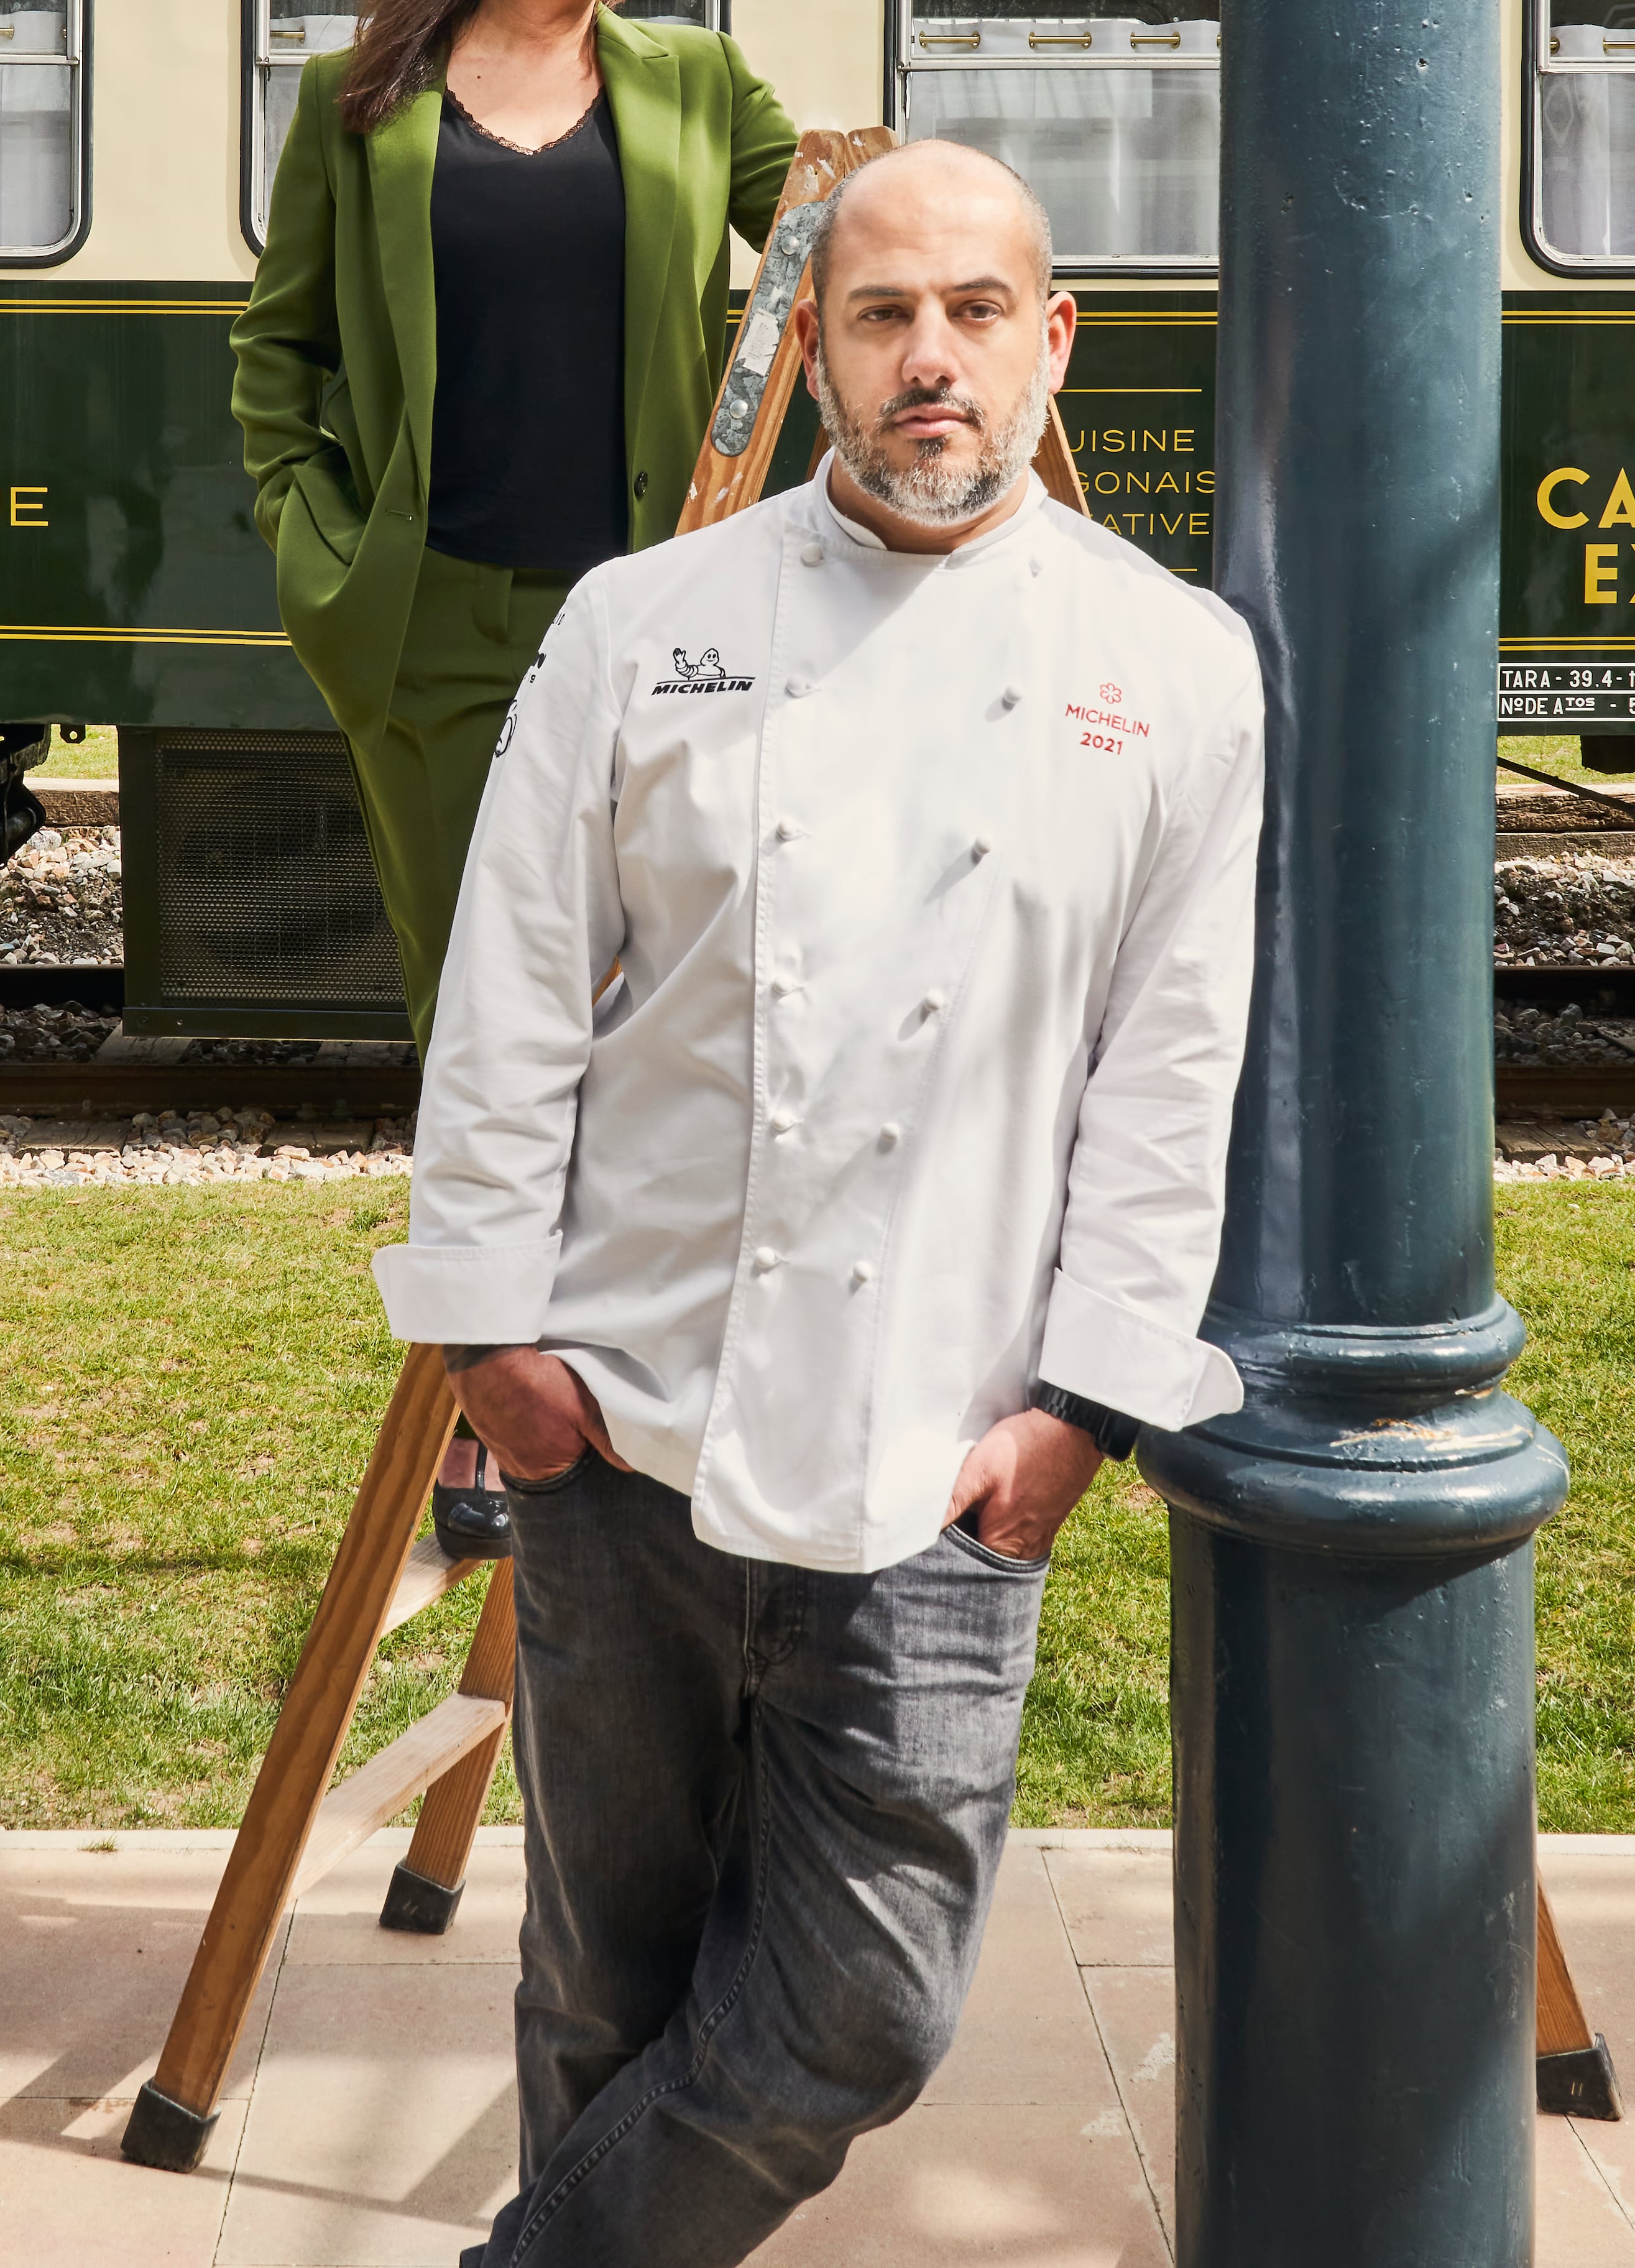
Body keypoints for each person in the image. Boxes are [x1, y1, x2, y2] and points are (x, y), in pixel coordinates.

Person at [375, 133, 1264, 2268]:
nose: (928, 362)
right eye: (881, 317)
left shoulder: (1176, 664)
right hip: (626, 1431)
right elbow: (506, 997)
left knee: (865, 2006)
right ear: (818, 349)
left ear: (1055, 346)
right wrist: (490, 1334)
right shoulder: (643, 625)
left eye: (973, 315)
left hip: (945, 1461)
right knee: (602, 1987)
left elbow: (1173, 1068)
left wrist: (1088, 1408)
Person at [233, 0, 798, 1552]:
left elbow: (847, 216)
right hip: (438, 620)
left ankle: (629, 1365)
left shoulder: (699, 86)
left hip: (658, 619)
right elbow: (279, 364)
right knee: (473, 1003)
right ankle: (491, 1399)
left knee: (656, 991)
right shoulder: (362, 102)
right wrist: (323, 557)